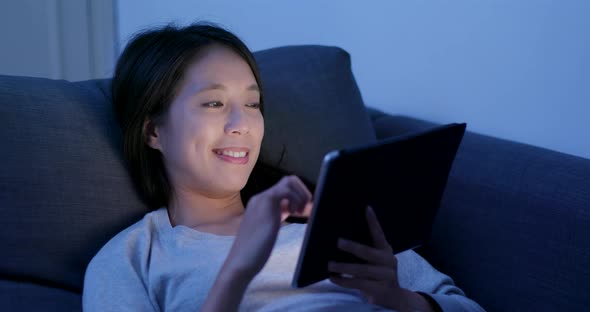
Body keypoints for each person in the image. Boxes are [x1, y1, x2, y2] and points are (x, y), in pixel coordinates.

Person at [83, 23, 485, 312]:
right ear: (153, 132)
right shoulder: (133, 258)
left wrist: (398, 297)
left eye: (253, 104)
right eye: (214, 103)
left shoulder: (333, 222)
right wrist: (238, 268)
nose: (241, 124)